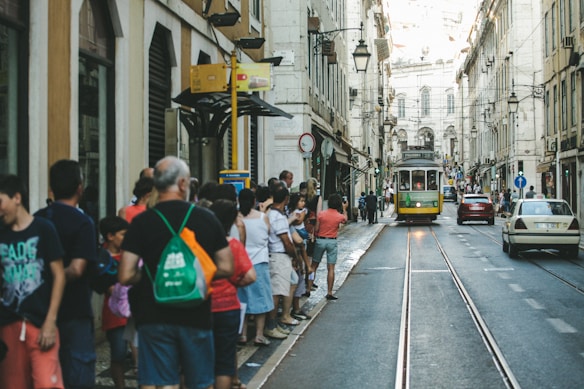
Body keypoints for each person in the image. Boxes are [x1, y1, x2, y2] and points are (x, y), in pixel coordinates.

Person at [118, 156, 234, 389]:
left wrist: (157, 276)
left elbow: (126, 275)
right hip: (196, 314)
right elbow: (227, 266)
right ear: (182, 184)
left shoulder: (142, 222)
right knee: (200, 382)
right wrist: (195, 275)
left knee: (159, 382)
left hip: (153, 315)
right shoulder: (206, 218)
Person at [35, 159, 98, 389]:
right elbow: (78, 269)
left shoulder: (37, 219)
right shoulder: (83, 222)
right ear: (80, 188)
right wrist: (58, 278)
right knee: (77, 373)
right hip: (75, 309)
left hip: (39, 310)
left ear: (51, 188)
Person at [0, 174, 66, 389]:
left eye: (0, 201)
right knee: (13, 384)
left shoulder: (44, 229)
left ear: (16, 198)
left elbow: (59, 275)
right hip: (8, 323)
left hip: (40, 321)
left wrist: (51, 320)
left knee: (46, 383)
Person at [209, 199, 256, 389]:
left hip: (202, 306)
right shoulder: (233, 245)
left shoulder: (199, 243)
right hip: (228, 306)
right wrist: (235, 281)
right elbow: (251, 276)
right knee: (225, 361)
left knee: (203, 358)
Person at [237, 189, 277, 345]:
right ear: (254, 201)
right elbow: (267, 234)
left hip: (241, 263)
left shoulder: (236, 218)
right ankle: (259, 335)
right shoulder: (262, 217)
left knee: (243, 299)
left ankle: (243, 334)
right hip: (260, 262)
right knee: (261, 299)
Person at [98, 216, 130, 389]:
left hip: (133, 312)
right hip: (114, 314)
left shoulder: (129, 254)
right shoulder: (102, 258)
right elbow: (107, 287)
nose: (125, 238)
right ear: (110, 236)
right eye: (122, 234)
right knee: (118, 353)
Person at [265, 181, 298, 339]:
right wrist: (294, 256)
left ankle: (276, 322)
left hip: (277, 256)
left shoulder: (272, 214)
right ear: (286, 198)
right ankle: (271, 325)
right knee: (276, 292)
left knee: (285, 286)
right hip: (279, 256)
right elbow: (286, 240)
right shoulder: (277, 217)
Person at [311, 193, 348, 300]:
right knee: (331, 268)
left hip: (320, 240)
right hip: (332, 241)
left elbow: (317, 228)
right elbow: (345, 219)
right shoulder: (339, 216)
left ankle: (308, 287)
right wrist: (345, 208)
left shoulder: (321, 214)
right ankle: (330, 292)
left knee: (313, 266)